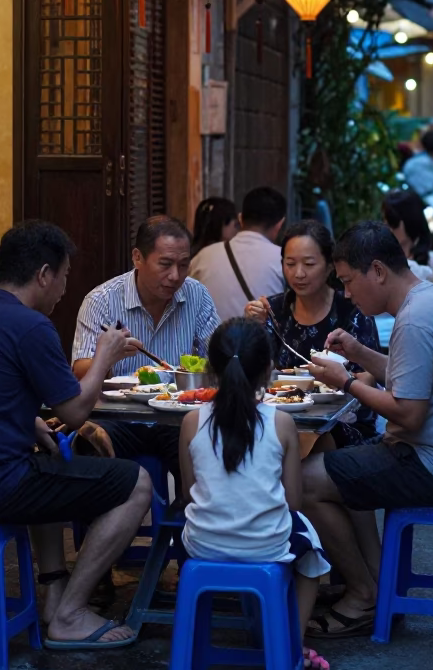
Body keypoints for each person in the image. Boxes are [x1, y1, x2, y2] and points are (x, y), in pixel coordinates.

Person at [0, 221, 153, 650]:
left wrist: (30, 422)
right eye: (62, 277)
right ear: (43, 274)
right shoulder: (31, 326)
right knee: (137, 483)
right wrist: (104, 356)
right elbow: (77, 412)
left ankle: (56, 590)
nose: (63, 289)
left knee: (53, 455)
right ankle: (70, 614)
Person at [299, 220, 433, 641]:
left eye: (350, 282)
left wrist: (345, 382)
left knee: (303, 480)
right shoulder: (431, 299)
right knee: (341, 466)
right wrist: (356, 352)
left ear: (378, 270)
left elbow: (408, 414)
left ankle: (361, 595)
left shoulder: (415, 319)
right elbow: (409, 379)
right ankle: (374, 581)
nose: (347, 294)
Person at [179, 318, 332, 670]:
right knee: (311, 555)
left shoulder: (190, 422)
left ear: (211, 370)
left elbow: (188, 493)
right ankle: (289, 648)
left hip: (202, 546)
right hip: (266, 546)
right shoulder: (281, 423)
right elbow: (293, 501)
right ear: (268, 371)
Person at [72, 215, 221, 479]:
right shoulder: (102, 301)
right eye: (165, 264)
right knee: (92, 443)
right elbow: (78, 374)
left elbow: (218, 363)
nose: (175, 276)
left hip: (178, 417)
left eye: (183, 265)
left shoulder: (196, 295)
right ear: (138, 258)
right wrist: (106, 357)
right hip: (119, 418)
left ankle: (190, 510)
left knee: (207, 446)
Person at [245, 220, 380, 447]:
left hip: (342, 422)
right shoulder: (274, 310)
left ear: (329, 267)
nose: (299, 273)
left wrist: (336, 381)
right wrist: (251, 327)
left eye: (309, 264)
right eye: (290, 263)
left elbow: (368, 377)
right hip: (282, 418)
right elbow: (255, 374)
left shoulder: (350, 308)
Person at [189, 186, 286, 322]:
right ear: (280, 224)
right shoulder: (284, 260)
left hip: (211, 343)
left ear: (240, 219)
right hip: (260, 341)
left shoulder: (202, 257)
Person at [382, 188, 433, 286]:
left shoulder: (432, 263)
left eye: (392, 222)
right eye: (385, 223)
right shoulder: (380, 258)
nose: (389, 229)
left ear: (409, 222)